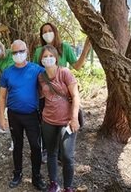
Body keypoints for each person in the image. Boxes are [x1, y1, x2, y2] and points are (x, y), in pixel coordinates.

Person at [0, 40, 46, 190]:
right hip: (14, 115)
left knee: (35, 146)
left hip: (32, 115)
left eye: (21, 51)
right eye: (15, 52)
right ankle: (17, 174)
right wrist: (1, 117)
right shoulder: (7, 72)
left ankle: (36, 177)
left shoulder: (37, 69)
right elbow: (1, 97)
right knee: (17, 145)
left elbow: (50, 83)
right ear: (11, 54)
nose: (18, 54)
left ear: (26, 51)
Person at [38, 45, 80, 192]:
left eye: (50, 56)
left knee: (67, 156)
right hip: (48, 120)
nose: (48, 58)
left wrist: (74, 118)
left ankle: (68, 186)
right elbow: (41, 96)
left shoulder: (64, 73)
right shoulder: (41, 77)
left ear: (56, 57)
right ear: (41, 60)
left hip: (66, 121)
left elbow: (75, 96)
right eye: (45, 56)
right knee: (51, 152)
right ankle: (53, 183)